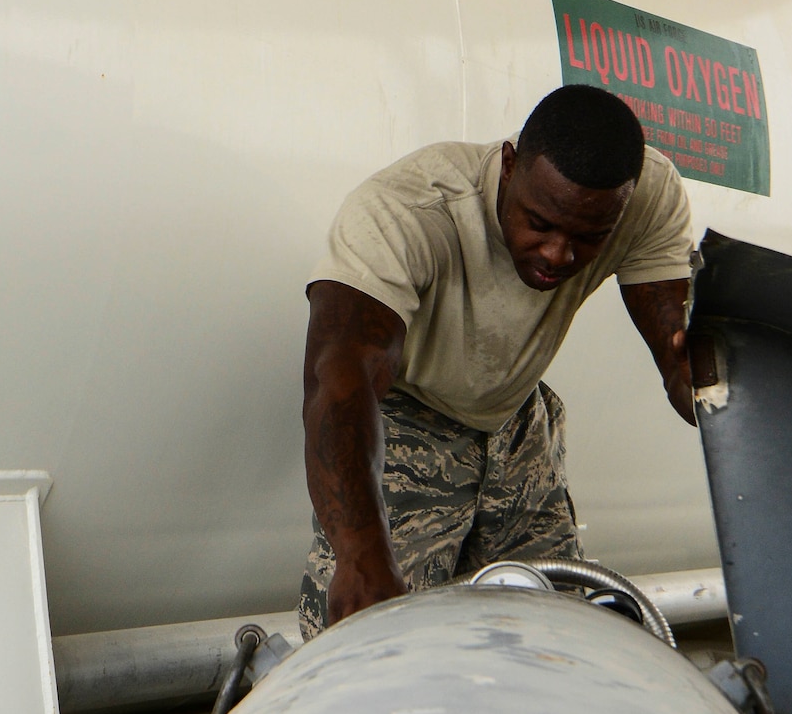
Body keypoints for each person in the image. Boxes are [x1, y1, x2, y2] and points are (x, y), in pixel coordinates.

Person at [298, 84, 696, 638]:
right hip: (403, 421)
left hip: (516, 421)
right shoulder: (406, 211)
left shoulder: (647, 194)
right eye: (540, 224)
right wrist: (360, 552)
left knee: (559, 637)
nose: (559, 254)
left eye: (588, 238)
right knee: (370, 645)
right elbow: (339, 378)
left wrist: (705, 385)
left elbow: (685, 360)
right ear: (509, 167)